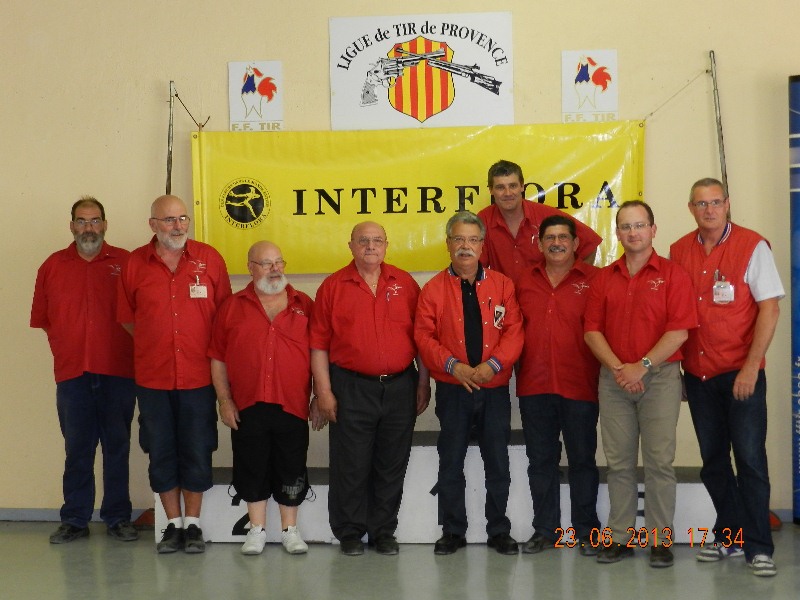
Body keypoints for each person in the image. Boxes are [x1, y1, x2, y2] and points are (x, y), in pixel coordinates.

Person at [670, 178, 783, 577]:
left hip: (741, 373)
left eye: (716, 202)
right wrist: (680, 369)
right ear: (691, 208)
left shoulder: (752, 246)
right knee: (713, 462)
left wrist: (752, 366)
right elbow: (676, 316)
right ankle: (729, 535)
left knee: (750, 460)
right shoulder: (679, 251)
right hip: (699, 377)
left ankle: (758, 546)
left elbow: (769, 309)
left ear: (727, 204)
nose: (709, 210)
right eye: (701, 203)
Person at [584, 200, 697, 568]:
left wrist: (642, 366)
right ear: (618, 233)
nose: (633, 233)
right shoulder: (604, 277)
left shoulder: (674, 274)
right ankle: (620, 537)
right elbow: (591, 332)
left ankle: (661, 539)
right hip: (614, 378)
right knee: (618, 463)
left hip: (660, 377)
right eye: (626, 227)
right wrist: (621, 368)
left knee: (659, 462)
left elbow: (679, 332)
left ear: (653, 229)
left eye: (639, 225)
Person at [118, 195, 232, 554]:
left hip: (200, 378)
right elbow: (127, 317)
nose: (178, 226)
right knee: (161, 450)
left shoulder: (209, 258)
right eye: (169, 220)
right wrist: (159, 342)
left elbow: (226, 317)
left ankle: (194, 525)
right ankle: (172, 525)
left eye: (183, 218)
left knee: (198, 450)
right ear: (152, 224)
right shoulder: (135, 263)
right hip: (152, 379)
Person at [310, 221, 430, 556]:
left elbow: (421, 340)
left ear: (387, 245)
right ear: (351, 246)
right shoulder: (333, 287)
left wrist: (423, 381)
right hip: (350, 387)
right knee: (351, 464)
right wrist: (324, 392)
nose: (371, 246)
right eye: (363, 241)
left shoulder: (405, 284)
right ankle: (349, 531)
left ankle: (383, 531)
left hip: (400, 387)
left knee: (391, 463)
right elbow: (318, 345)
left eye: (377, 240)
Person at [415, 211, 523, 556]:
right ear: (448, 245)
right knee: (451, 461)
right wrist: (453, 366)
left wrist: (493, 365)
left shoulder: (503, 285)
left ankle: (499, 530)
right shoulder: (432, 289)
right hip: (453, 389)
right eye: (458, 239)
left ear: (482, 245)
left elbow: (514, 332)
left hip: (493, 389)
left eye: (472, 240)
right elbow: (424, 336)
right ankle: (452, 530)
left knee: (498, 462)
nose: (465, 246)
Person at [31, 196, 138, 544]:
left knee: (117, 447)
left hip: (118, 372)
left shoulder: (126, 263)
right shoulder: (52, 266)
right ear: (71, 225)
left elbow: (141, 317)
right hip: (72, 374)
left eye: (95, 221)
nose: (88, 228)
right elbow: (45, 320)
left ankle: (118, 517)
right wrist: (68, 348)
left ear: (105, 225)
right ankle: (75, 519)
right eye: (81, 221)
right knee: (77, 449)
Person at [209, 241, 322, 556]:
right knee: (251, 465)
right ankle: (256, 530)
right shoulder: (232, 307)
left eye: (279, 262)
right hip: (248, 404)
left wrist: (318, 396)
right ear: (250, 267)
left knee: (291, 466)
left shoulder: (304, 304)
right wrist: (224, 400)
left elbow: (318, 355)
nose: (275, 269)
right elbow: (217, 357)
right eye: (266, 263)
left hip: (293, 403)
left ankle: (290, 530)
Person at [514, 215, 601, 556]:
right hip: (534, 386)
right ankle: (546, 530)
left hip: (580, 385)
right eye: (549, 237)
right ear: (539, 244)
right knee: (541, 461)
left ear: (576, 243)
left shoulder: (595, 280)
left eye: (563, 237)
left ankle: (586, 530)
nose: (556, 243)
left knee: (582, 460)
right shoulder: (522, 281)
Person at [478, 159, 603, 283]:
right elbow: (474, 265)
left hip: (541, 299)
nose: (508, 193)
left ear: (522, 186)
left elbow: (590, 244)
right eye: (500, 187)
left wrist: (572, 285)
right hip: (503, 300)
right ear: (490, 190)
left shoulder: (546, 216)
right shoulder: (483, 219)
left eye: (513, 186)